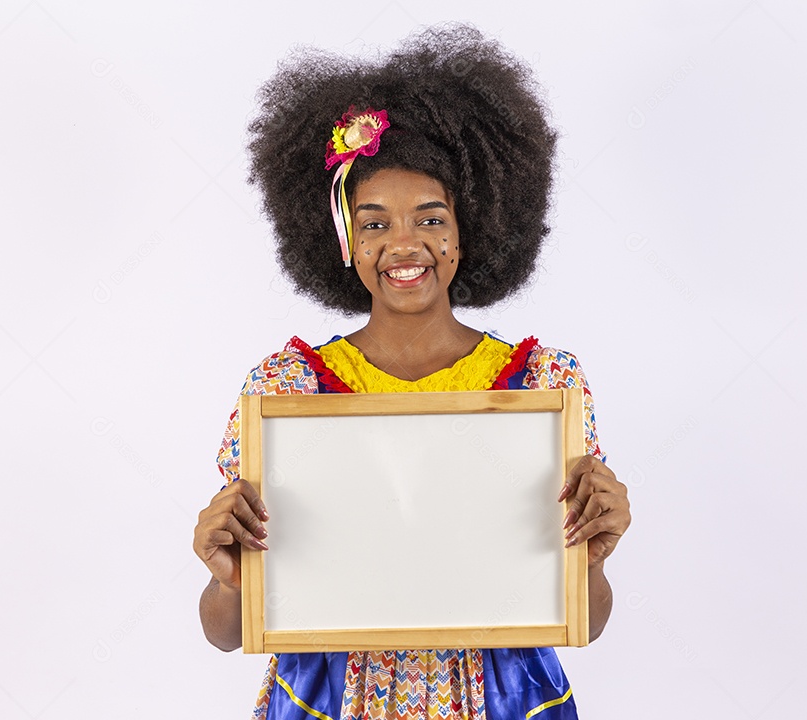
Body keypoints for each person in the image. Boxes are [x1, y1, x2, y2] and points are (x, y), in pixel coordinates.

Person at [193, 24, 631, 720]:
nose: (404, 243)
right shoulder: (285, 392)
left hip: (501, 702)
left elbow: (586, 621)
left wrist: (595, 559)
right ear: (341, 237)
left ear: (471, 225)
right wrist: (226, 578)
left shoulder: (543, 387)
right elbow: (225, 631)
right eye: (373, 223)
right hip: (332, 701)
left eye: (431, 218)